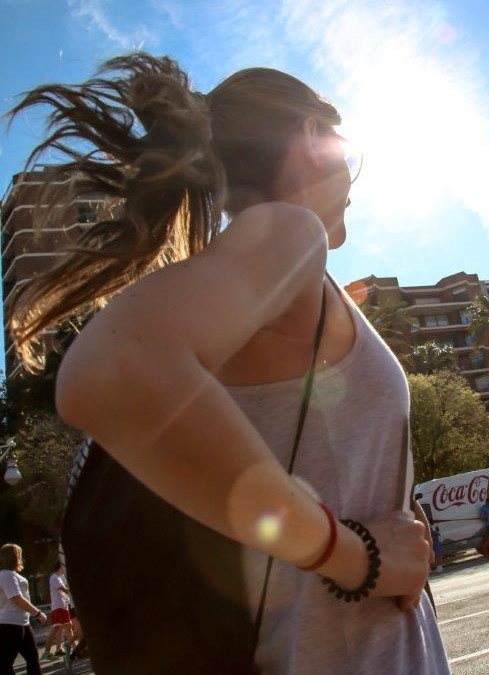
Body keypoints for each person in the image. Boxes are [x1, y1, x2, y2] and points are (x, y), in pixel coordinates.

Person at [7, 54, 448, 675]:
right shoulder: (289, 233)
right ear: (309, 136)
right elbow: (106, 372)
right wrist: (358, 557)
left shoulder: (269, 272)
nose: (351, 173)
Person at [0, 543, 48, 675]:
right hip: (9, 624)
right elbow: (16, 598)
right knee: (5, 663)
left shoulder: (12, 575)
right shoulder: (6, 575)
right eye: (19, 554)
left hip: (23, 623)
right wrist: (38, 613)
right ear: (15, 557)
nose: (21, 557)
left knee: (33, 659)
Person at [42, 563, 73, 660]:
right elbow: (64, 590)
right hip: (59, 607)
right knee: (66, 627)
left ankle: (58, 650)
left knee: (60, 628)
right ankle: (74, 649)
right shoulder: (54, 577)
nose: (65, 569)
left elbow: (64, 591)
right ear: (60, 567)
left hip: (62, 606)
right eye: (64, 567)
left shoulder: (59, 577)